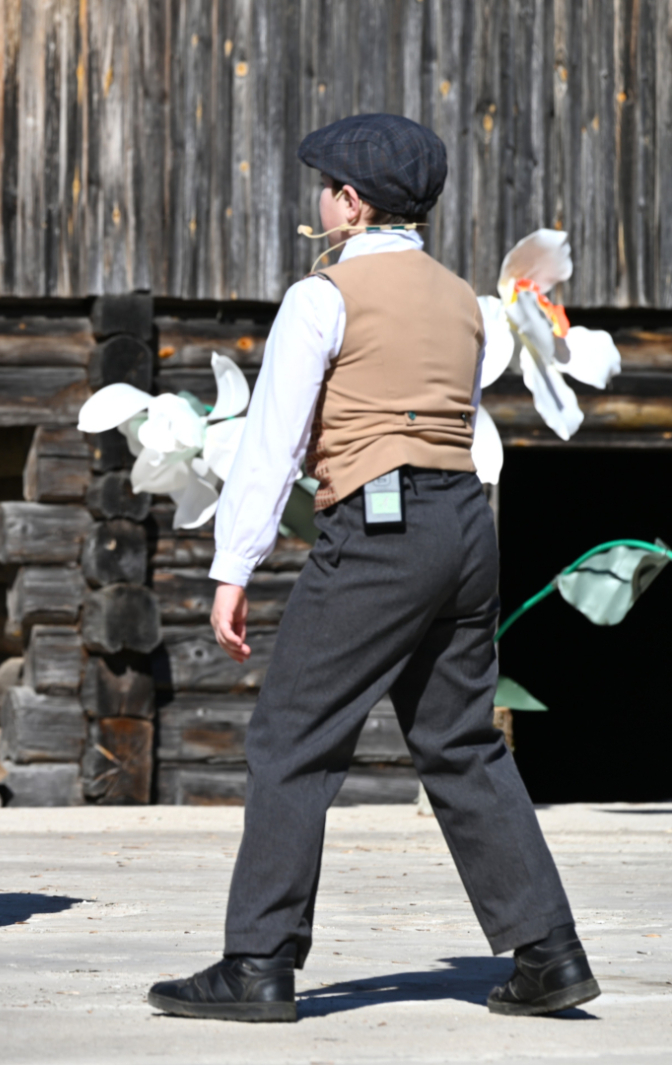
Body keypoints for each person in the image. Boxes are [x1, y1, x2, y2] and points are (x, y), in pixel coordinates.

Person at [147, 114, 598, 1022]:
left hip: (382, 528)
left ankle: (259, 963)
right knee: (461, 741)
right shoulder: (463, 301)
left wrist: (233, 566)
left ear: (351, 204)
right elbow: (460, 423)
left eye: (325, 188)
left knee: (292, 738)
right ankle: (548, 952)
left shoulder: (323, 298)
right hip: (465, 526)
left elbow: (275, 441)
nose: (318, 202)